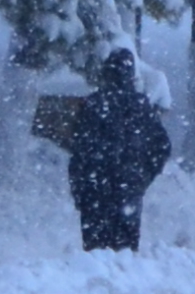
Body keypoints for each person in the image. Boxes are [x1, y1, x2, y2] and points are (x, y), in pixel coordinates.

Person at [64, 48, 171, 251]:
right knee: (126, 255)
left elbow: (79, 152)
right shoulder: (142, 106)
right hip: (128, 191)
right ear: (131, 75)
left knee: (95, 254)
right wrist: (143, 175)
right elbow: (162, 147)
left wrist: (79, 189)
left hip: (94, 192)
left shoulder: (93, 105)